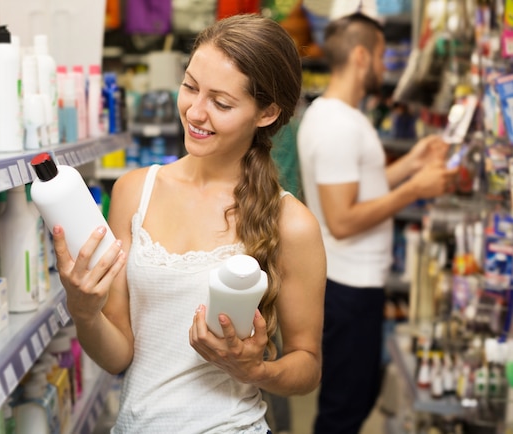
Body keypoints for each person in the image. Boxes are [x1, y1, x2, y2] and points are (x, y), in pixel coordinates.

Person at [52, 14, 326, 433]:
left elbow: (307, 367)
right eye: (190, 87)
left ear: (267, 112)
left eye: (221, 102)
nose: (195, 112)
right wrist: (84, 312)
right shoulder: (134, 192)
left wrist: (254, 370)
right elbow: (120, 356)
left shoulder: (291, 223)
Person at [297, 12, 456, 434]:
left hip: (354, 283)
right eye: (383, 55)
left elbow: (359, 190)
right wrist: (415, 190)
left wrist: (410, 164)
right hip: (348, 287)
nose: (386, 66)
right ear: (362, 56)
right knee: (342, 410)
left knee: (358, 394)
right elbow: (344, 219)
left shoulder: (337, 117)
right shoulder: (336, 126)